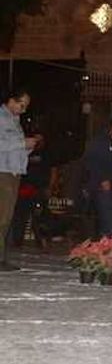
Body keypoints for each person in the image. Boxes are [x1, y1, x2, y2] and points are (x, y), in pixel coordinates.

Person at [0, 88, 42, 271]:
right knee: (2, 217)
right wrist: (21, 143)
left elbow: (14, 148)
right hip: (3, 171)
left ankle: (2, 256)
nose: (24, 110)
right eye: (21, 105)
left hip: (14, 171)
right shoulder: (1, 118)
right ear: (11, 100)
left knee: (6, 217)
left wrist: (29, 145)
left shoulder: (14, 120)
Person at [82, 117, 112, 238]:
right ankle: (104, 245)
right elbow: (90, 162)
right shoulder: (99, 142)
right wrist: (102, 179)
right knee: (109, 222)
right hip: (103, 187)